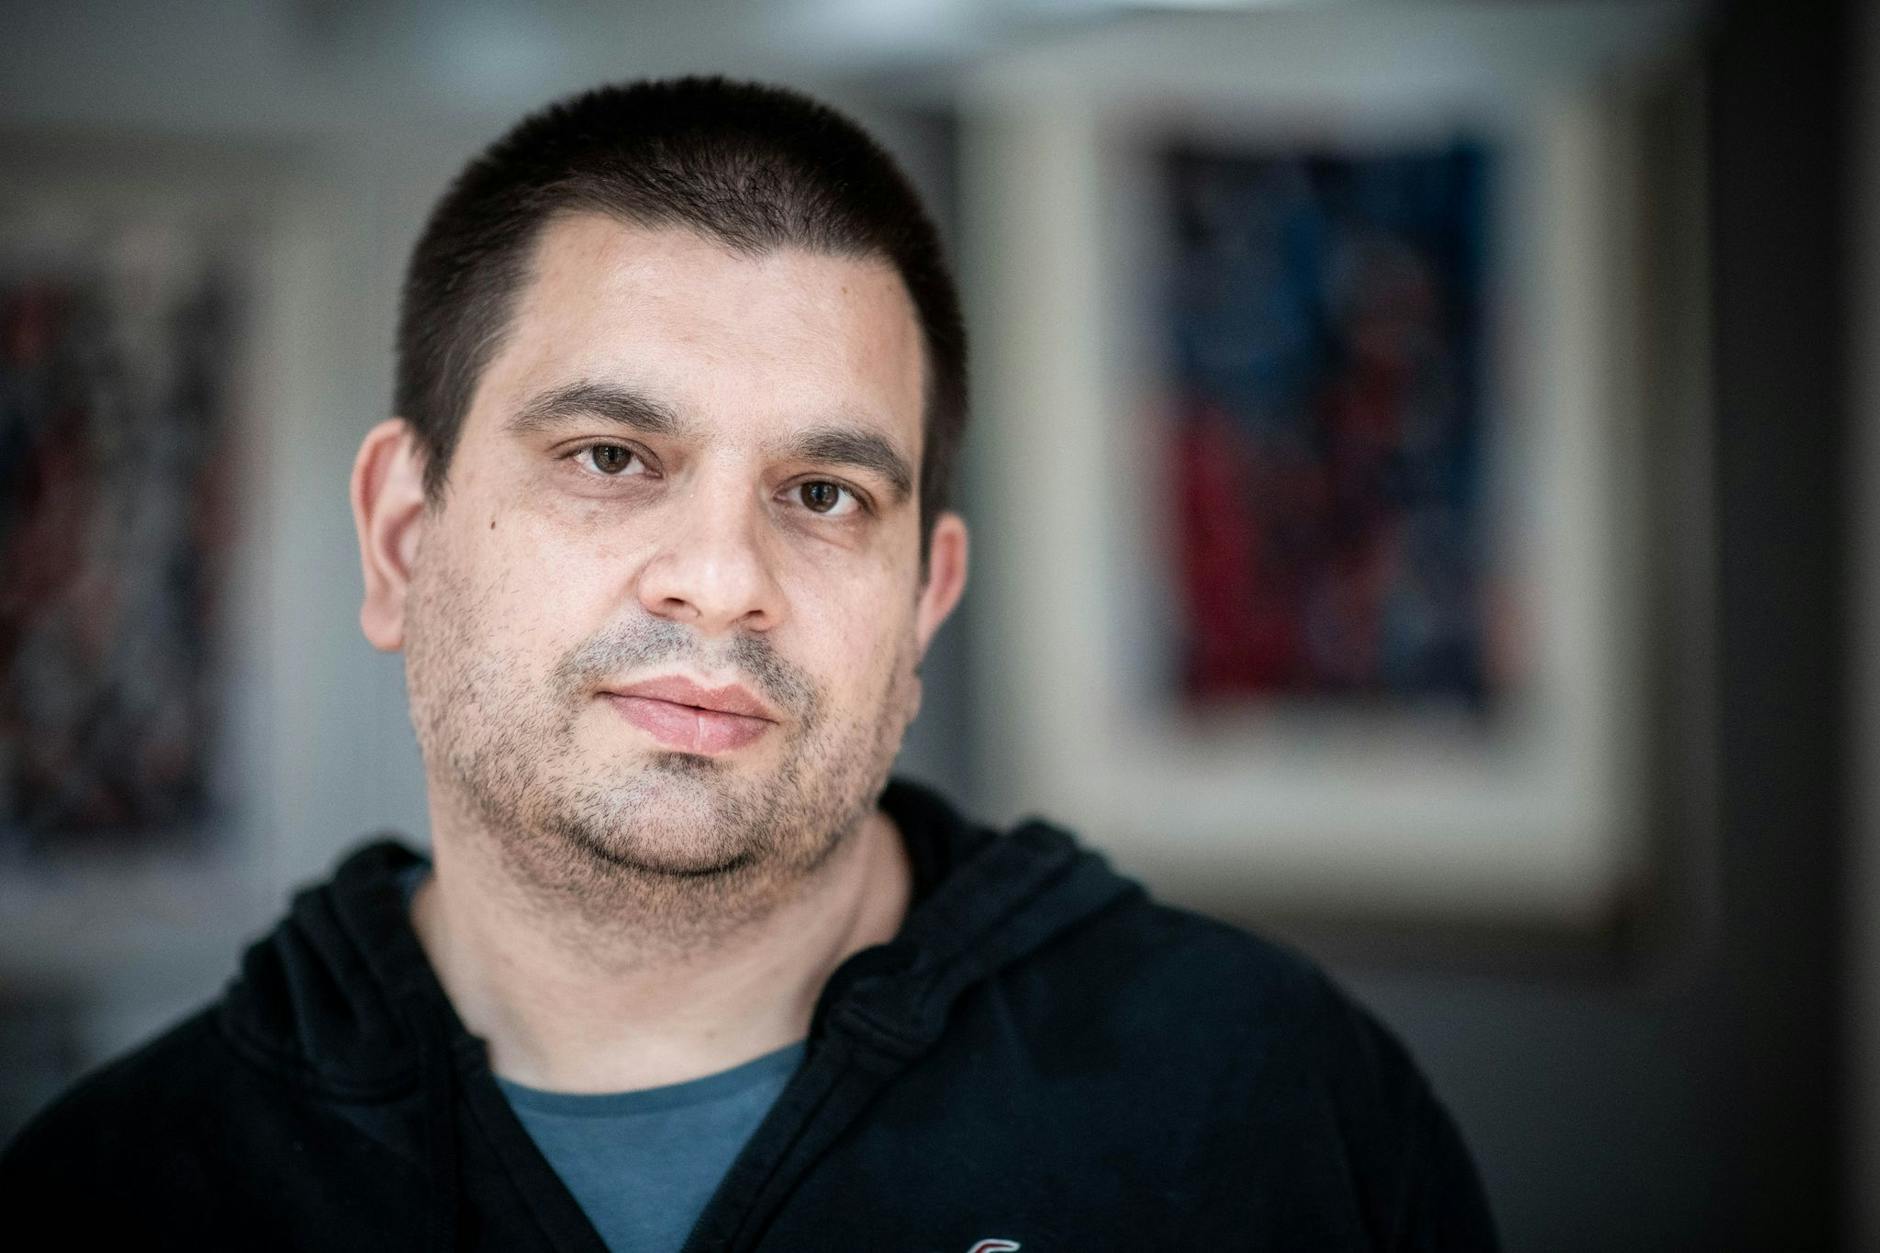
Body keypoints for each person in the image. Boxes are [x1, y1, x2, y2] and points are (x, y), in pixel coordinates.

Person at [0, 77, 1497, 1251]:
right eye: (610, 456)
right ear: (401, 538)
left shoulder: (1271, 1101)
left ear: (924, 605)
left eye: (825, 493)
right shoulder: (113, 1195)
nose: (722, 580)